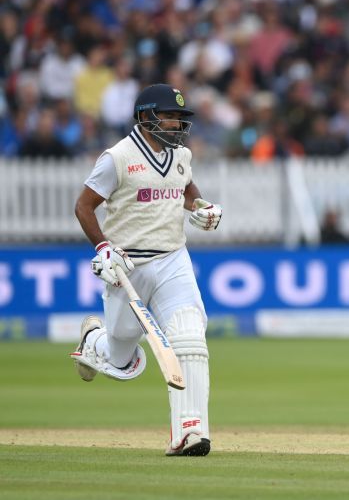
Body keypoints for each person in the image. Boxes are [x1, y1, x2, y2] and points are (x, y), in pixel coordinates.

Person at [71, 84, 223, 456]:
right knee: (121, 356)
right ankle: (94, 340)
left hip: (173, 257)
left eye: (180, 118)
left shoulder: (181, 154)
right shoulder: (117, 157)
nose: (175, 124)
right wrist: (104, 248)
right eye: (169, 116)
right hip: (128, 264)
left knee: (189, 336)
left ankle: (191, 431)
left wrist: (200, 207)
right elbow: (84, 207)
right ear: (144, 116)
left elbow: (186, 188)